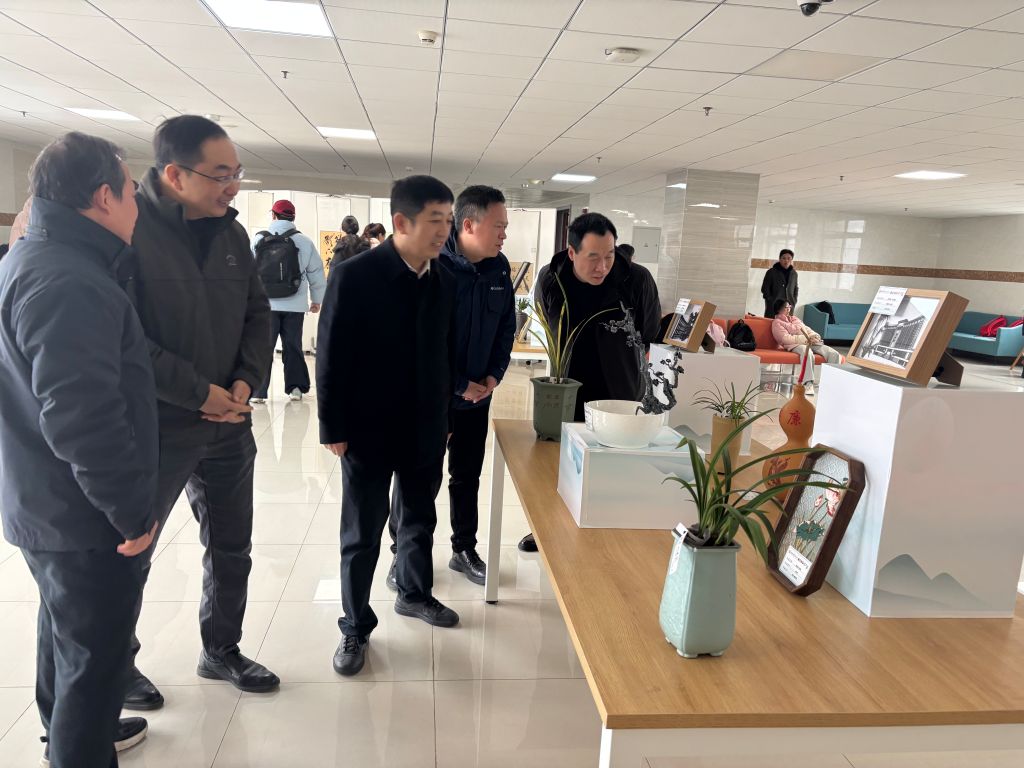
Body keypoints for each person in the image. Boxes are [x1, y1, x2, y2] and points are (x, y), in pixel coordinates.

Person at [0, 132, 157, 767]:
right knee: (95, 669)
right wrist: (130, 513)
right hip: (84, 516)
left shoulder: (31, 258)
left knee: (66, 637)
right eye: (132, 192)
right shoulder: (68, 280)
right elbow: (82, 417)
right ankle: (75, 746)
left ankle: (58, 730)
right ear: (104, 197)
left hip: (46, 501)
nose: (138, 206)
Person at [123, 115, 279, 711]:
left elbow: (258, 313)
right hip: (158, 426)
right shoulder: (130, 231)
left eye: (237, 172)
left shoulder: (232, 234)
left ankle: (222, 648)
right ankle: (117, 662)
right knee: (134, 550)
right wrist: (199, 393)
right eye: (220, 174)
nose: (232, 186)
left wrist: (244, 381)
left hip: (228, 424)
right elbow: (125, 339)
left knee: (232, 546)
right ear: (175, 174)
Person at [318, 175, 459, 677]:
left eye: (449, 221)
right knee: (362, 532)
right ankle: (355, 625)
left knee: (419, 519)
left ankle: (414, 593)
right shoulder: (354, 276)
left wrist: (445, 416)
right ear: (401, 222)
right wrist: (332, 427)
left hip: (425, 426)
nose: (444, 231)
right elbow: (331, 354)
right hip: (367, 428)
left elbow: (445, 354)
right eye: (435, 220)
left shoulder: (446, 279)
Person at [384, 185, 515, 589]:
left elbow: (506, 327)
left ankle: (464, 549)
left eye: (505, 226)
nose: (504, 234)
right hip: (433, 398)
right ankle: (402, 555)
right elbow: (421, 341)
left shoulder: (498, 268)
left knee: (467, 475)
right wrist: (459, 385)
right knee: (419, 478)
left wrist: (494, 375)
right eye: (498, 226)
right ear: (469, 224)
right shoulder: (433, 265)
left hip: (477, 398)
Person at [521, 213, 659, 551]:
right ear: (572, 253)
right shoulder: (552, 278)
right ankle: (546, 530)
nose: (603, 266)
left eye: (609, 255)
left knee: (614, 467)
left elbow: (649, 331)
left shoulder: (636, 279)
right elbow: (546, 319)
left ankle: (608, 535)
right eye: (593, 257)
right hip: (567, 388)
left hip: (620, 391)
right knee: (559, 465)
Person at [250, 199, 326, 403]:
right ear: (293, 217)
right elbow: (316, 272)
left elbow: (247, 271)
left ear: (273, 215)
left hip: (265, 305)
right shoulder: (304, 241)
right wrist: (317, 300)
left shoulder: (258, 239)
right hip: (295, 304)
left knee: (264, 347)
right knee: (292, 346)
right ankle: (296, 388)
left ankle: (258, 392)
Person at [771, 299, 844, 394]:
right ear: (778, 309)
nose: (789, 309)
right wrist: (806, 339)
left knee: (834, 354)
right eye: (786, 307)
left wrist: (815, 336)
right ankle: (807, 383)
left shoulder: (795, 319)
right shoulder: (777, 322)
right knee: (807, 352)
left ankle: (831, 383)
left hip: (810, 342)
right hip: (795, 345)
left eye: (789, 307)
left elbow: (807, 329)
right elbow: (785, 339)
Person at [761, 248, 798, 318]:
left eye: (789, 258)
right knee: (771, 322)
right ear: (780, 259)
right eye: (784, 258)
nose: (786, 260)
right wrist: (770, 300)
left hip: (789, 306)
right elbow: (765, 288)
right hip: (773, 305)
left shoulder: (794, 273)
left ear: (791, 260)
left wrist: (794, 300)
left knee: (786, 323)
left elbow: (795, 288)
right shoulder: (771, 272)